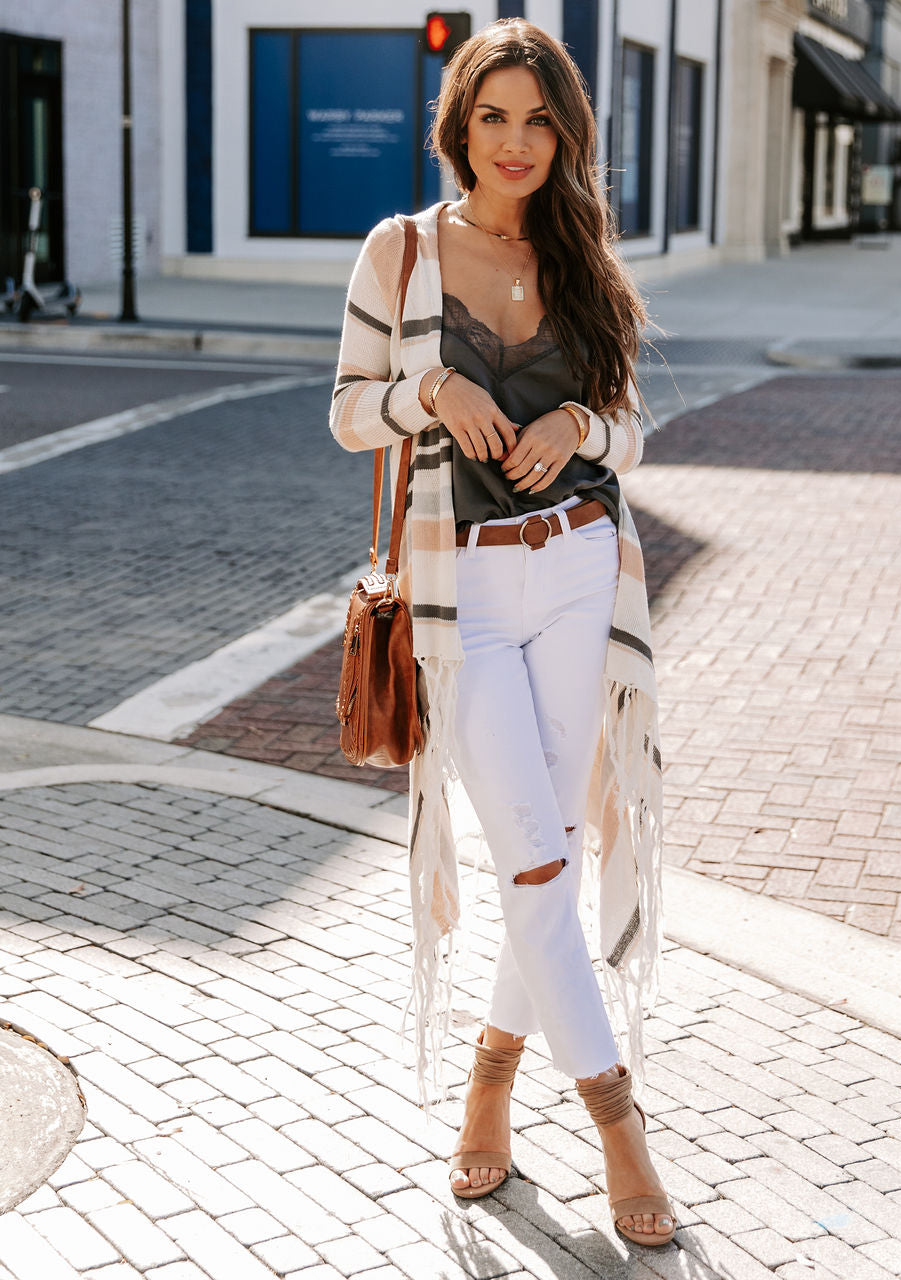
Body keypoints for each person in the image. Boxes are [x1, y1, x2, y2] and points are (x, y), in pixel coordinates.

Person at [330, 18, 672, 1246]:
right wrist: (432, 388)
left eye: (540, 120)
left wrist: (579, 423)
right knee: (532, 861)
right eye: (494, 117)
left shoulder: (584, 251)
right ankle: (619, 1121)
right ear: (457, 124)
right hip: (459, 594)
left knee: (556, 856)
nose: (517, 143)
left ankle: (487, 1086)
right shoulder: (405, 250)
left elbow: (632, 437)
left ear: (565, 131)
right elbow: (345, 416)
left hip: (581, 571)